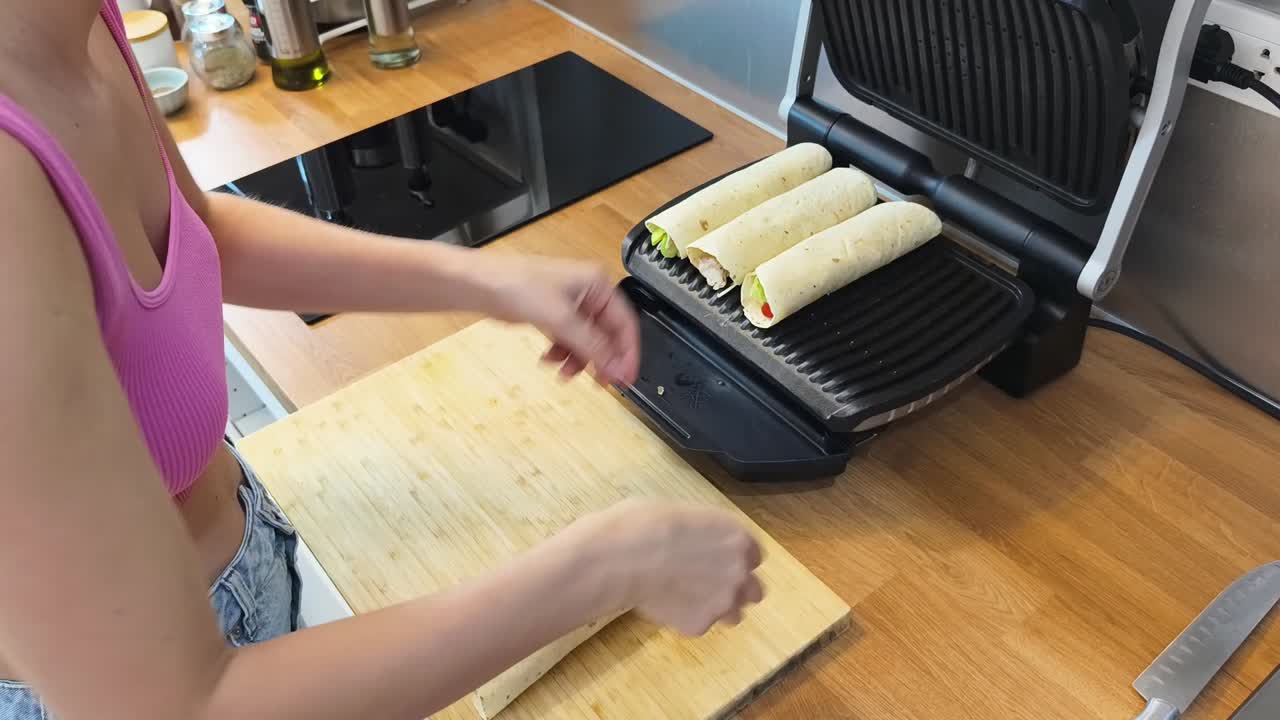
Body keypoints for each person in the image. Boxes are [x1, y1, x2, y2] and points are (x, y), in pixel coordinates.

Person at [0, 2, 765, 718]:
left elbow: (197, 231)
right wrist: (606, 568)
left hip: (248, 563)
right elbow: (184, 704)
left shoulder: (79, 22)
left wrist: (485, 279)